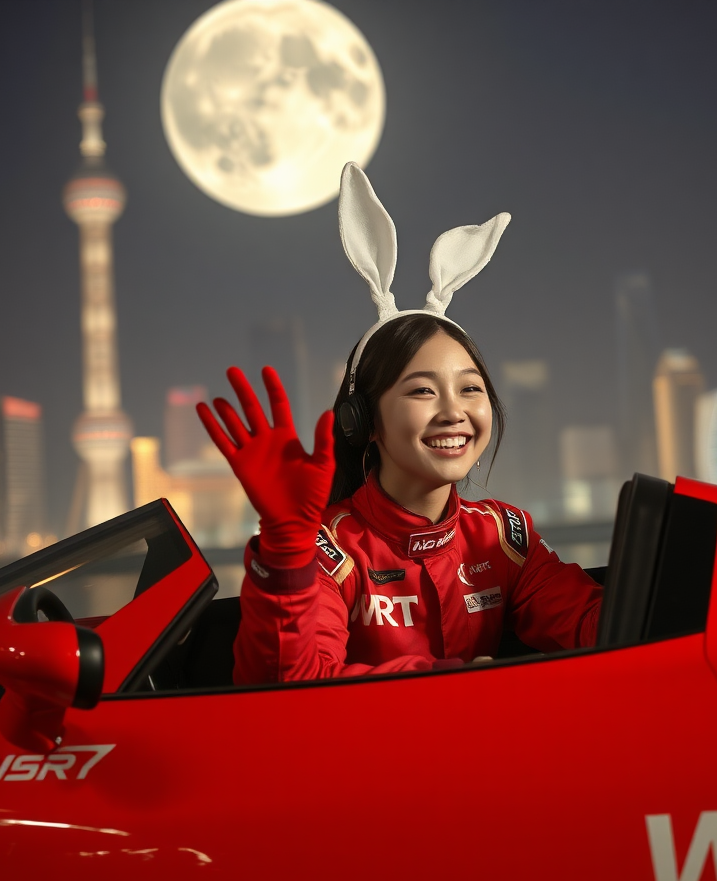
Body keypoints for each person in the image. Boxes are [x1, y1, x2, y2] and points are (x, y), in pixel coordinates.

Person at [198, 164, 601, 684]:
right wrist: (284, 548)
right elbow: (289, 687)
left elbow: (602, 628)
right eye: (422, 390)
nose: (454, 410)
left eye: (470, 388)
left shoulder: (502, 535)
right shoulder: (328, 548)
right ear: (362, 419)